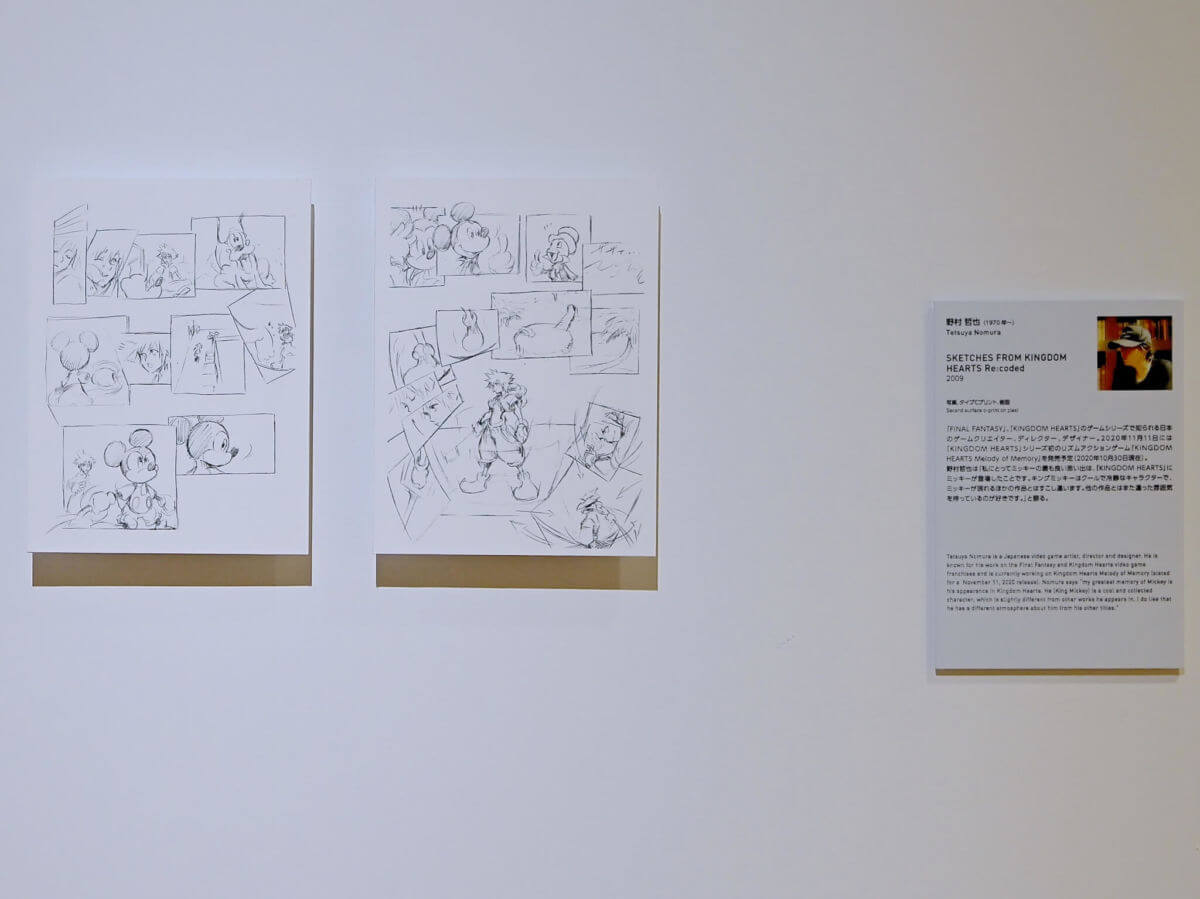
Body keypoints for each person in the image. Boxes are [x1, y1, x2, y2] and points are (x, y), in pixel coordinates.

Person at [459, 370, 537, 500]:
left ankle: (526, 484)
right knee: (486, 453)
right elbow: (490, 413)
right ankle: (480, 481)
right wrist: (480, 422)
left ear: (502, 384)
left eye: (494, 384)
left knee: (512, 455)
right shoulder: (495, 400)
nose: (492, 387)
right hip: (489, 430)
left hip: (502, 432)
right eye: (491, 384)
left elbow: (518, 413)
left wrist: (521, 425)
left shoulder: (509, 399)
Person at [1108, 323, 1172, 390]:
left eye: (1128, 347)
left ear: (1144, 349)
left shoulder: (1164, 370)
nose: (1122, 352)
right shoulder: (1120, 375)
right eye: (1122, 347)